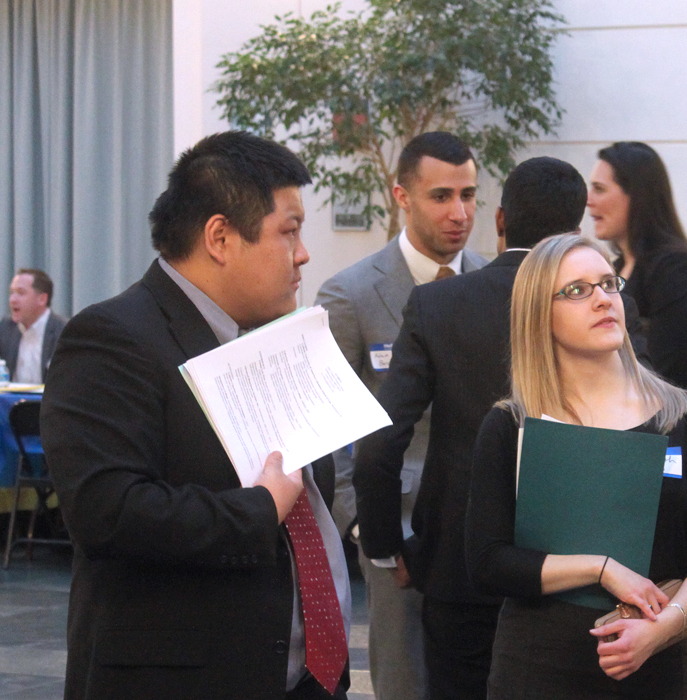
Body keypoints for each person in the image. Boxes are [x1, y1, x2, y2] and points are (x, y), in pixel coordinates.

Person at [42, 131, 352, 700]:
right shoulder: (114, 337)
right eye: (289, 231)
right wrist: (257, 509)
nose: (303, 253)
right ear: (220, 237)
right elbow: (106, 510)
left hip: (301, 677)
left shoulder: (269, 340)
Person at [354, 156, 590, 700]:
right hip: (572, 564)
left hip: (459, 566)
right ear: (577, 233)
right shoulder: (598, 304)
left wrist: (392, 546)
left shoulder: (439, 303)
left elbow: (378, 445)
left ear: (501, 219)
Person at [465, 234, 687, 700]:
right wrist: (601, 568)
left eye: (608, 284)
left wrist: (663, 628)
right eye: (577, 290)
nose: (602, 300)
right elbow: (488, 561)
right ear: (539, 314)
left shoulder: (685, 416)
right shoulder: (512, 425)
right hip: (539, 668)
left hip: (654, 665)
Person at [315, 131, 486, 700]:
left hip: (482, 527)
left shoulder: (498, 284)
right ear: (402, 196)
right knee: (405, 683)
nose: (459, 213)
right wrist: (365, 527)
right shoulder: (350, 294)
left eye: (469, 195)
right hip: (397, 527)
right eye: (441, 196)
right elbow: (325, 426)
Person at [587, 141, 687, 391]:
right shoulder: (615, 268)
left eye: (599, 189)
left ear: (637, 195)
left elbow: (670, 373)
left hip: (664, 422)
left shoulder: (676, 270)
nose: (588, 201)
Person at [0, 268, 66, 383]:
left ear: (42, 299)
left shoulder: (63, 331)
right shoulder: (5, 327)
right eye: (11, 293)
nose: (12, 299)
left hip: (46, 400)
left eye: (20, 293)